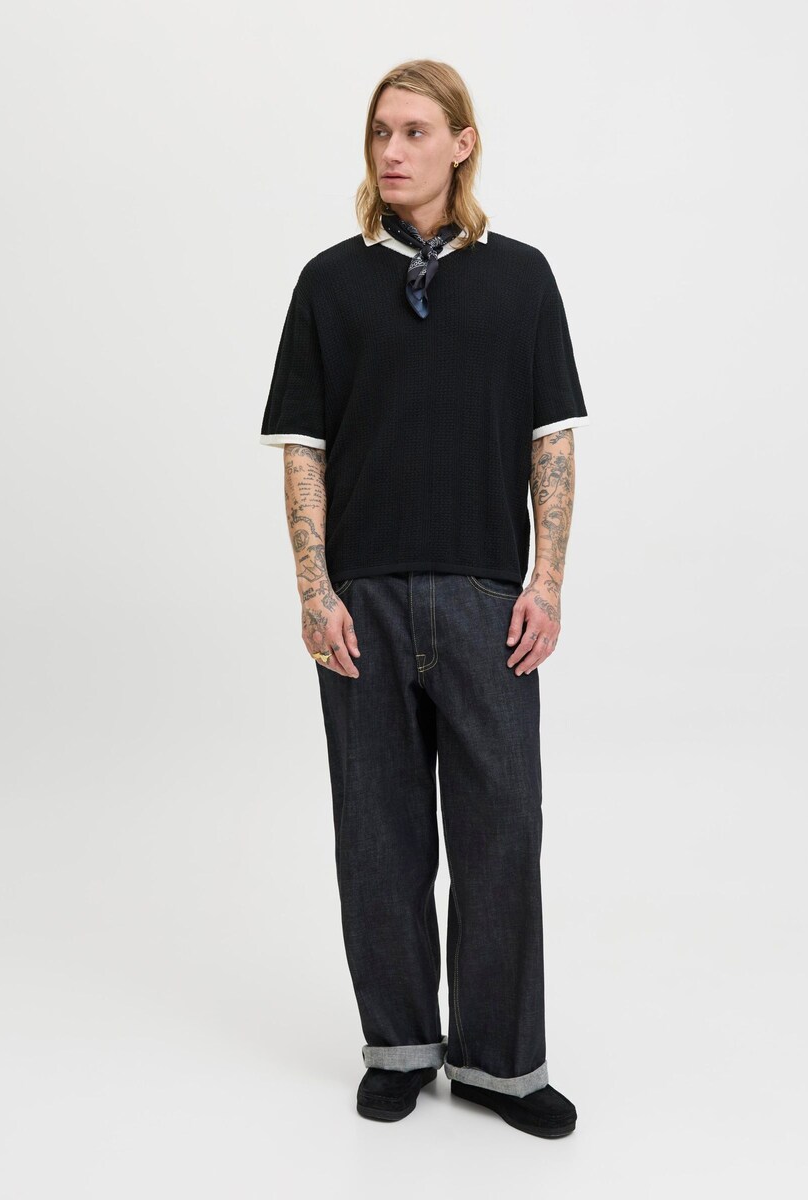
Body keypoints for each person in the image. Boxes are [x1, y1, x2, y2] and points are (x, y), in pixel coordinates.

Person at [259, 59, 588, 1139]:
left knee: (502, 833)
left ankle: (501, 1064)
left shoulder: (522, 279)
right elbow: (302, 451)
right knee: (379, 835)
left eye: (413, 131)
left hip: (488, 599)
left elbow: (552, 443)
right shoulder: (329, 282)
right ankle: (399, 1047)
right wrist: (315, 591)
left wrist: (546, 584)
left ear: (462, 142)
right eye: (379, 133)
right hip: (365, 601)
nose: (392, 151)